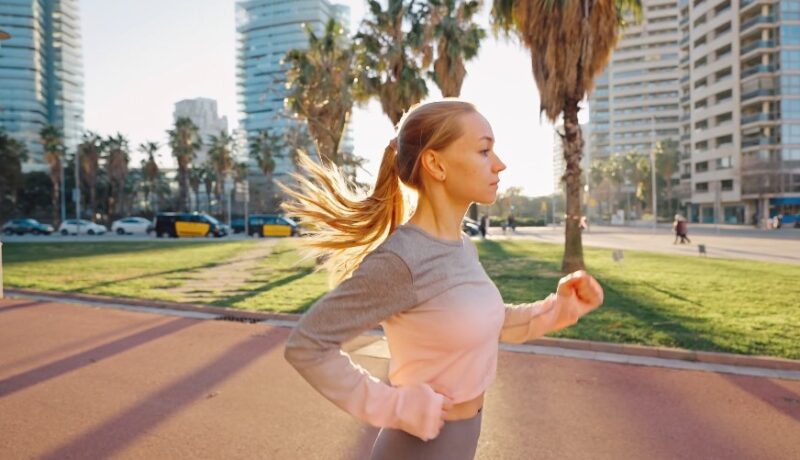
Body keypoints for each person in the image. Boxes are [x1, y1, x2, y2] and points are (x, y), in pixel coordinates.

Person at [281, 100, 604, 460]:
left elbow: (487, 324)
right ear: (435, 164)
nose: (500, 163)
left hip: (463, 440)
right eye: (484, 150)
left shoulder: (461, 246)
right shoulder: (401, 260)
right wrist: (394, 406)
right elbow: (307, 344)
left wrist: (559, 308)